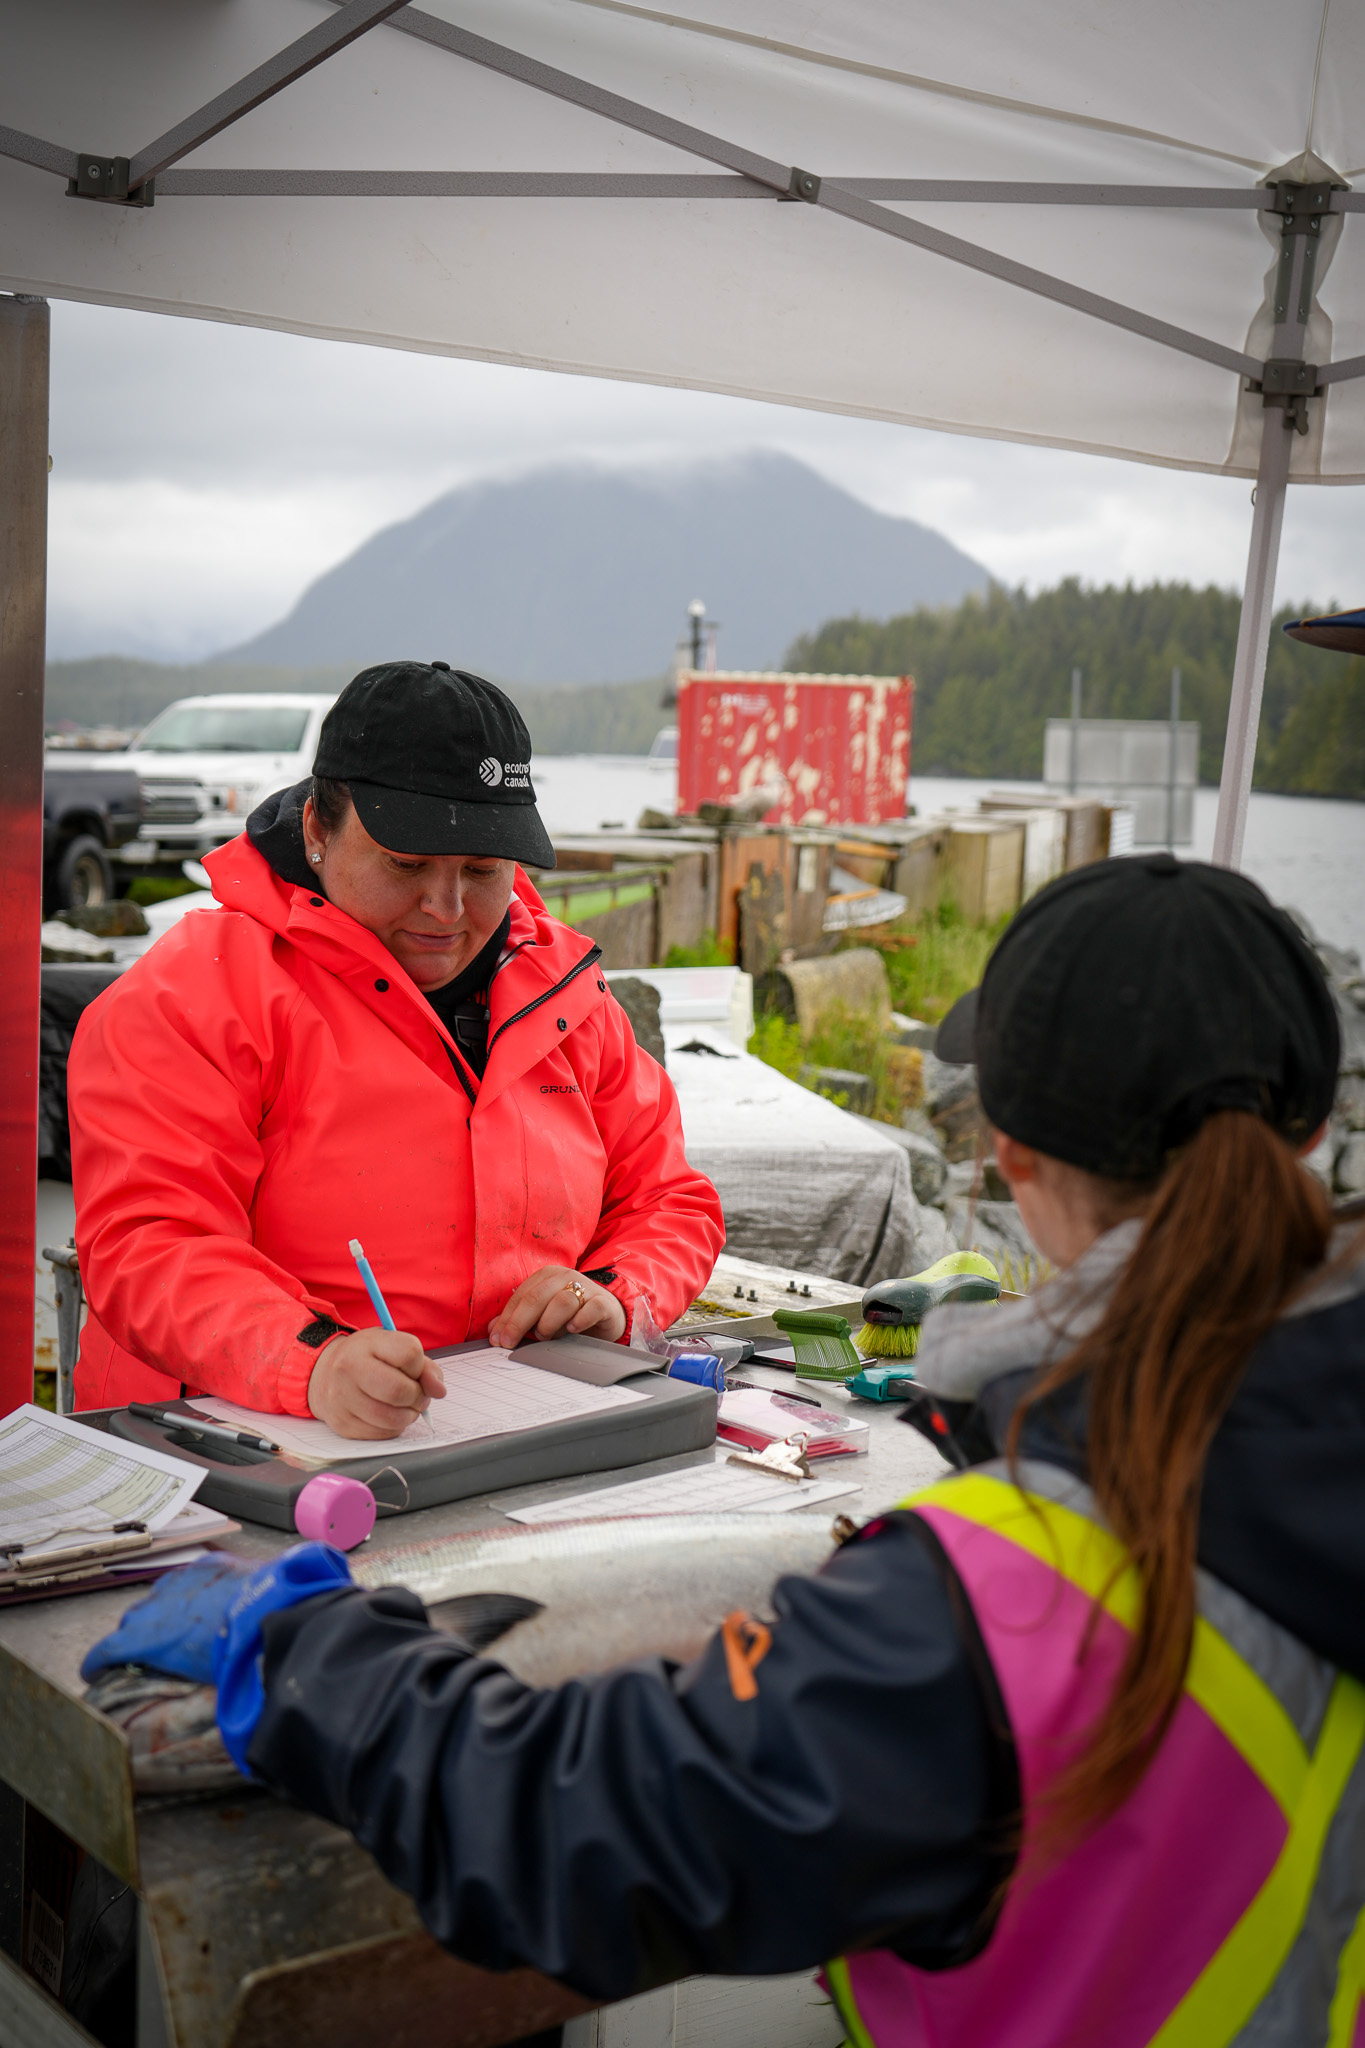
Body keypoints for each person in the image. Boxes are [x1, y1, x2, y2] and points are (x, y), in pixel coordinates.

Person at [85, 854, 1365, 2043]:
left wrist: (304, 1653)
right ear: (1313, 1133)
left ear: (1012, 1153)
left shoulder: (1019, 1600)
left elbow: (585, 1828)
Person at [68, 662, 724, 1435]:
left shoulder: (568, 994)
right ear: (317, 828)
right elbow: (150, 1245)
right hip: (224, 1449)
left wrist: (613, 1293)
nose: (445, 911)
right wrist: (311, 1362)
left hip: (504, 1438)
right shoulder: (192, 994)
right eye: (406, 865)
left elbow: (669, 1200)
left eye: (483, 871)